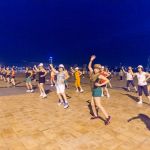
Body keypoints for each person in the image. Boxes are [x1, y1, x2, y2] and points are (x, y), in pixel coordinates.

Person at [88, 55, 111, 125]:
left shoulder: (99, 75)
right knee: (92, 104)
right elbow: (89, 67)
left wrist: (100, 85)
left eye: (97, 69)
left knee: (98, 105)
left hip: (97, 90)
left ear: (99, 70)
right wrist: (91, 60)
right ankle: (95, 115)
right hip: (93, 90)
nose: (95, 69)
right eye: (95, 68)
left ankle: (107, 117)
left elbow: (107, 80)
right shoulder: (92, 72)